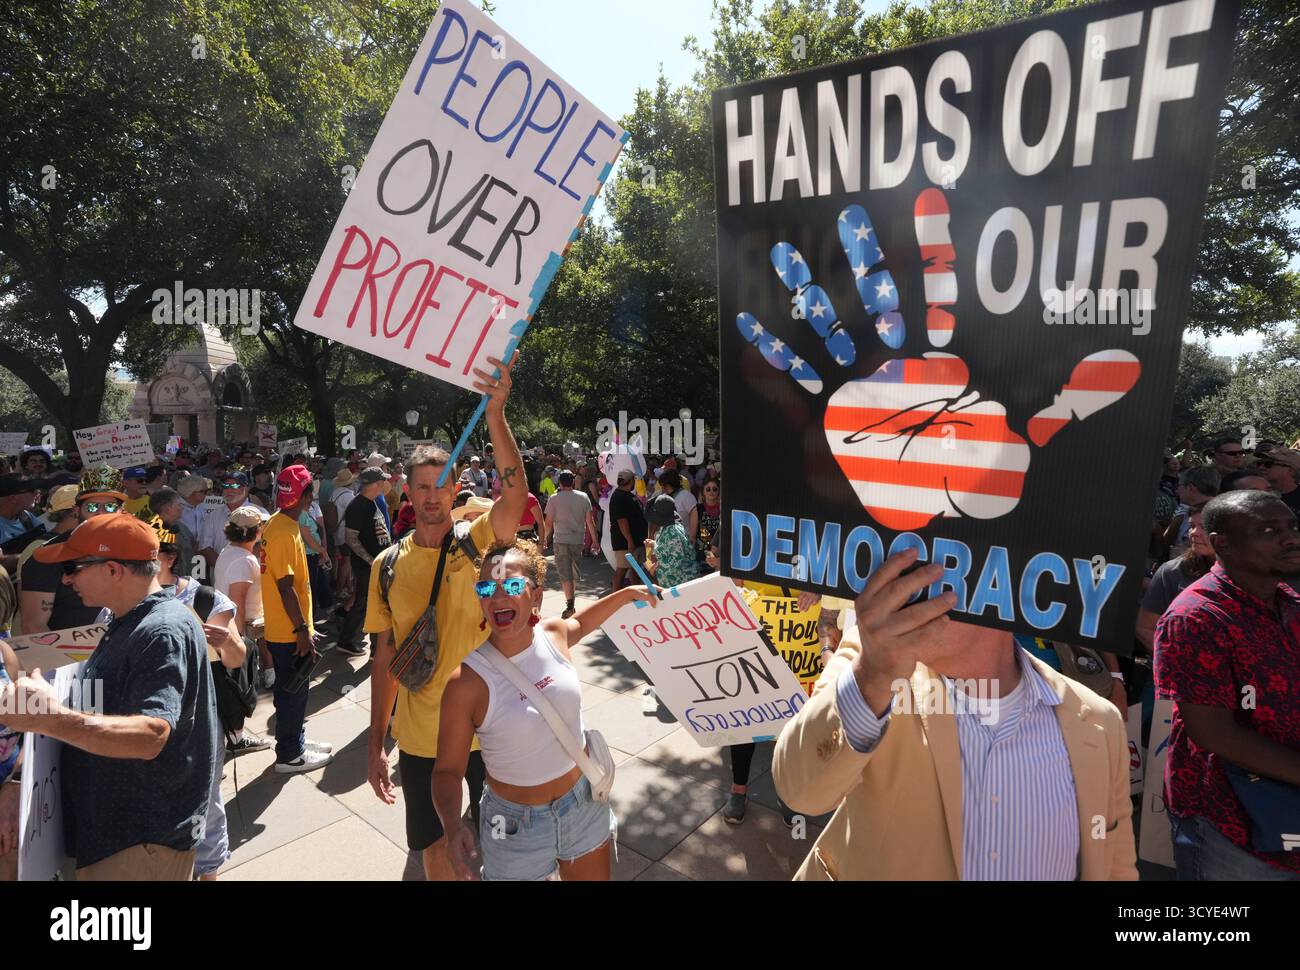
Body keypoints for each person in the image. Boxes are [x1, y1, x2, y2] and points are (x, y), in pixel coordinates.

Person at [773, 547, 1137, 880]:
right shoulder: (867, 663)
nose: (898, 595)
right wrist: (871, 679)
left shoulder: (1100, 724)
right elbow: (799, 790)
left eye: (927, 574)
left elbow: (1115, 865)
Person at [365, 354, 528, 882]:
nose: (432, 496)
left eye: (442, 485)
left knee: (498, 849)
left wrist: (497, 413)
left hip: (489, 731)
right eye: (422, 486)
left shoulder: (475, 544)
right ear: (406, 492)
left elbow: (516, 497)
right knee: (434, 847)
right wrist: (375, 744)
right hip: (419, 739)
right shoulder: (386, 566)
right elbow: (384, 658)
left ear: (456, 488)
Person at [3, 514, 220, 879]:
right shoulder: (131, 621)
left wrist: (48, 717)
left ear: (114, 570)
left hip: (139, 841)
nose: (67, 579)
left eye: (73, 568)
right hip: (119, 836)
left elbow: (151, 735)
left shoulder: (161, 630)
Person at [434, 540, 656, 880]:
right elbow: (447, 772)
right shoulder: (466, 683)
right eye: (486, 587)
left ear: (536, 596)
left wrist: (627, 595)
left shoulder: (553, 635)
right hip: (512, 828)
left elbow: (582, 623)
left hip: (583, 804)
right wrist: (452, 828)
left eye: (511, 585)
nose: (497, 598)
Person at [1155, 490, 1300, 880]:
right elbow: (1214, 733)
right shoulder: (1196, 617)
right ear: (1223, 543)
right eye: (1269, 529)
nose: (1291, 538)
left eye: (1291, 526)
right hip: (1230, 820)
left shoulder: (1288, 601)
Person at [261, 464, 332, 773]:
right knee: (293, 693)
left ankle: (296, 742)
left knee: (293, 691)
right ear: (304, 497)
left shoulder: (280, 524)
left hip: (287, 627)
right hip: (288, 631)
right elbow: (285, 588)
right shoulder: (283, 532)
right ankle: (290, 754)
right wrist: (302, 630)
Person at [19, 467, 127, 634]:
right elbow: (34, 627)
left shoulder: (132, 551)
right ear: (77, 511)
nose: (101, 513)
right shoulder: (47, 557)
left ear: (122, 512)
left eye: (111, 507)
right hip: (71, 657)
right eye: (92, 507)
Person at [1138, 504, 1213, 652]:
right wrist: (1178, 663)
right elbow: (1144, 628)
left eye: (1204, 526)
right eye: (1191, 526)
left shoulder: (1254, 575)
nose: (1194, 533)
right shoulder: (1173, 572)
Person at [215, 505, 274, 691]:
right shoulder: (244, 561)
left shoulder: (229, 551)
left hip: (248, 627)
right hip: (246, 629)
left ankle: (270, 674)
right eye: (262, 524)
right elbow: (237, 605)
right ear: (255, 531)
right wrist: (239, 644)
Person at [339, 467, 392, 657]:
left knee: (368, 602)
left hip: (376, 563)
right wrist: (372, 561)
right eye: (382, 480)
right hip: (367, 566)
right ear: (376, 483)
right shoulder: (357, 505)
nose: (385, 483)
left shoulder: (371, 502)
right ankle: (358, 643)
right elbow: (351, 538)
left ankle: (361, 644)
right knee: (369, 602)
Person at [545, 471, 597, 619]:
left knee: (564, 574)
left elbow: (548, 523)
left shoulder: (554, 499)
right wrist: (595, 540)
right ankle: (571, 601)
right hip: (577, 540)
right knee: (573, 572)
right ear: (573, 482)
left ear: (560, 483)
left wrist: (544, 538)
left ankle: (570, 604)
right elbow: (590, 521)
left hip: (560, 539)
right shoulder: (583, 497)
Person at [198, 469, 259, 578]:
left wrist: (241, 569)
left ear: (247, 488)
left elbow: (264, 546)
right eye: (226, 486)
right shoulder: (213, 516)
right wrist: (224, 568)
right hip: (220, 581)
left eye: (235, 485)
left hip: (250, 577)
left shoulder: (261, 514)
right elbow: (205, 546)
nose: (229, 489)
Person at [643, 493, 699, 588]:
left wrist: (655, 566)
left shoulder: (673, 531)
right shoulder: (667, 528)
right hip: (675, 585)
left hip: (682, 585)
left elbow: (676, 561)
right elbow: (668, 547)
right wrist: (654, 544)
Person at [608, 469, 647, 592]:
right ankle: (615, 600)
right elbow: (622, 521)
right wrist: (629, 541)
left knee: (635, 570)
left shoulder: (629, 495)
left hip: (636, 541)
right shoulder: (618, 497)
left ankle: (637, 597)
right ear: (630, 481)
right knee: (622, 570)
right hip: (625, 543)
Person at [149, 487, 197, 580]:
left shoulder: (182, 527)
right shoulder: (150, 533)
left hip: (185, 584)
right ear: (167, 509)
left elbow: (193, 546)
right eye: (178, 505)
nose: (181, 508)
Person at [1258, 447, 1300, 514]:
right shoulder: (1256, 492)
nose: (1261, 467)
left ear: (1290, 471)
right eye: (1259, 463)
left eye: (1268, 464)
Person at [176, 472, 211, 538]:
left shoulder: (201, 505)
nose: (207, 494)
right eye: (204, 491)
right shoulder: (175, 507)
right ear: (191, 492)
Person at [697, 478, 721, 564]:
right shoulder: (697, 508)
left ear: (719, 492)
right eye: (708, 489)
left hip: (719, 554)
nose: (711, 492)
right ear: (703, 492)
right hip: (702, 552)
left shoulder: (723, 508)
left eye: (715, 489)